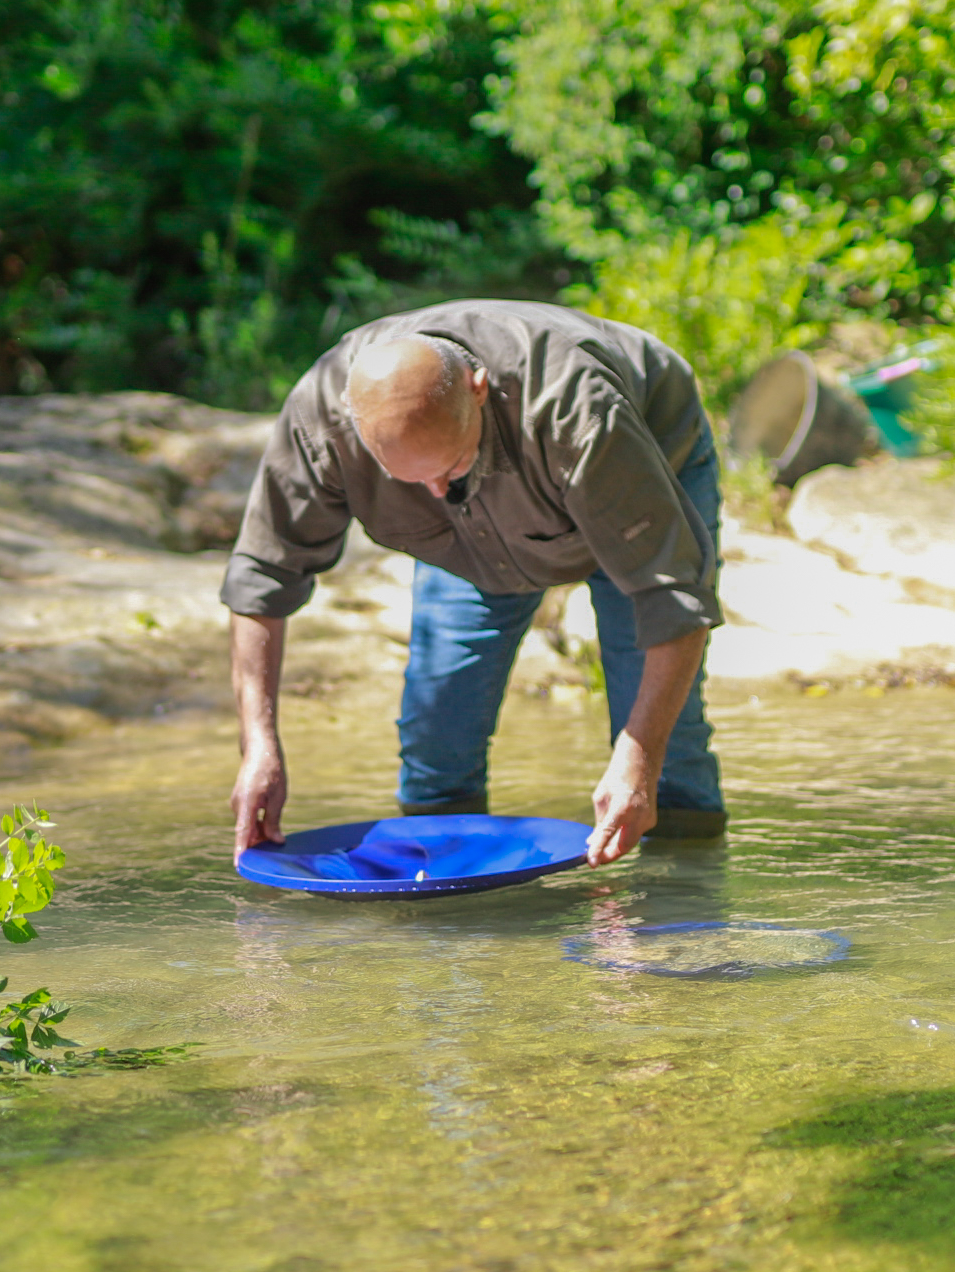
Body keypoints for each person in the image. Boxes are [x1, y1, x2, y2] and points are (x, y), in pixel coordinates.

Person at [221, 300, 726, 867]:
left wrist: (637, 762)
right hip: (470, 550)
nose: (436, 492)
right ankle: (451, 918)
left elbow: (673, 597)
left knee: (664, 749)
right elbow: (263, 574)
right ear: (353, 421)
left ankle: (686, 912)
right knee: (438, 735)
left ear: (479, 388)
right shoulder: (319, 420)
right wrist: (258, 745)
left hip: (645, 460)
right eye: (411, 480)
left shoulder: (573, 407)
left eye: (450, 466)